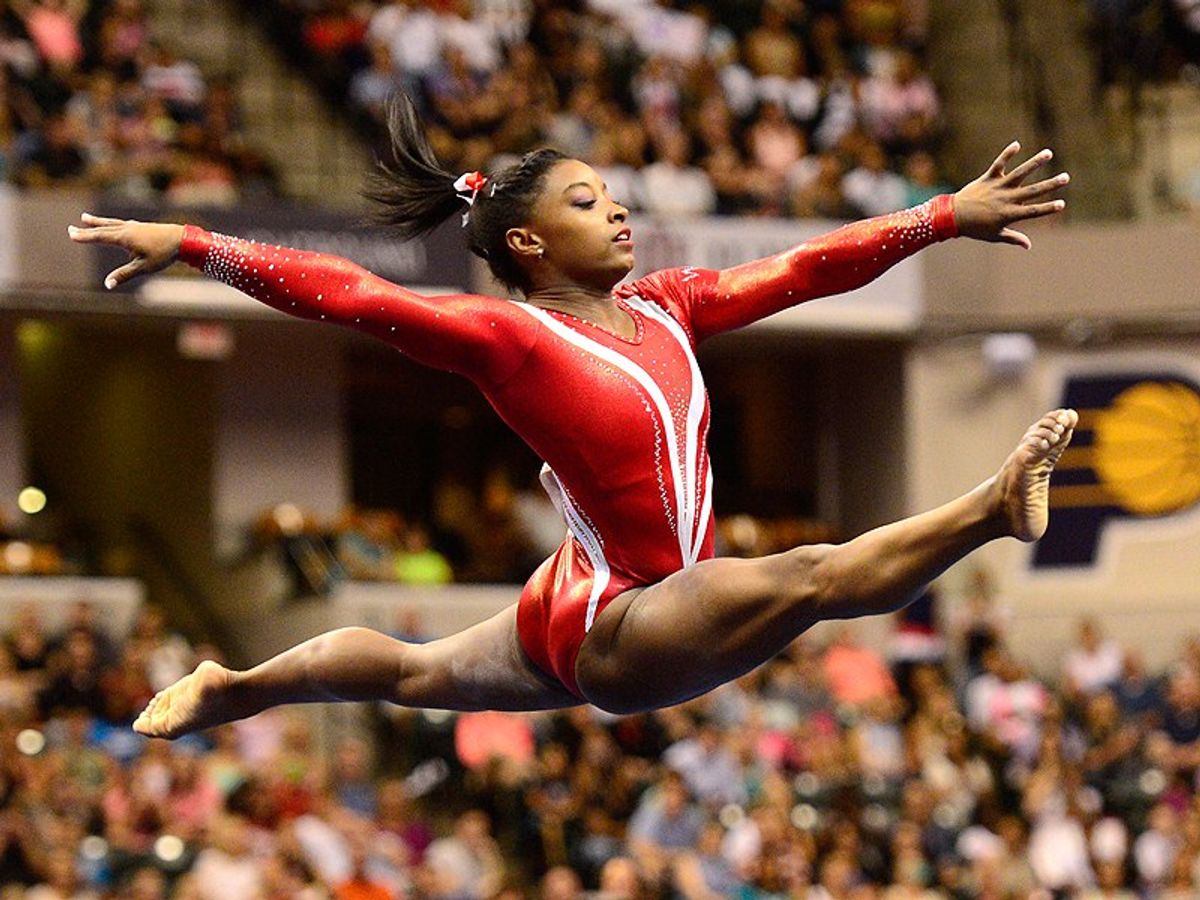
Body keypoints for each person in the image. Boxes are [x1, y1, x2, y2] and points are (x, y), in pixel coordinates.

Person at [67, 94, 1074, 736]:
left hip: (583, 594)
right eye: (588, 203)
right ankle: (992, 507)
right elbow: (356, 293)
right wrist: (200, 242)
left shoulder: (670, 306)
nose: (617, 211)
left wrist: (940, 216)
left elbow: (807, 267)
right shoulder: (514, 339)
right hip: (626, 620)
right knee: (809, 578)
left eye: (612, 196)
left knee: (414, 672)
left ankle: (236, 686)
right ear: (529, 246)